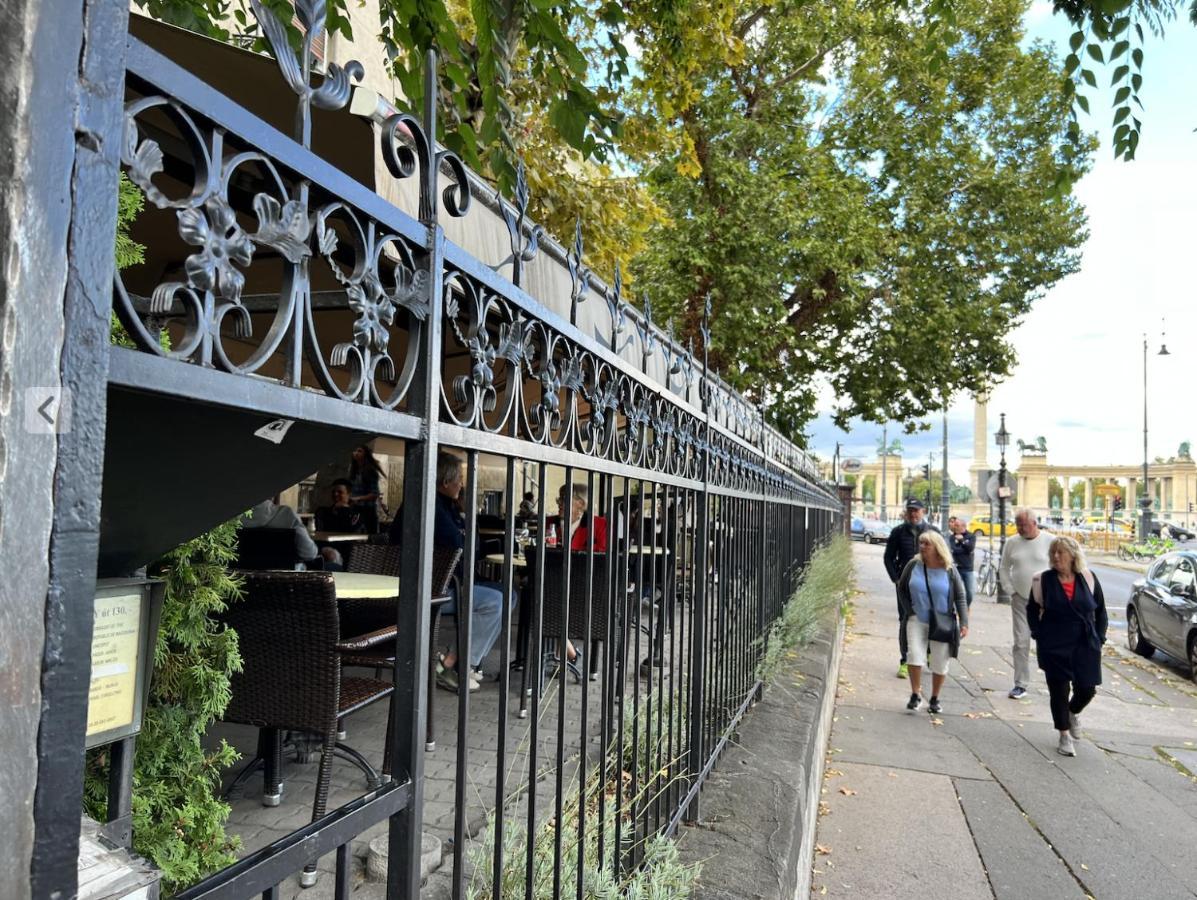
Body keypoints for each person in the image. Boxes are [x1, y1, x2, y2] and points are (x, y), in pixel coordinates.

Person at [393, 451, 515, 693]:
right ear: (444, 481)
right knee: (494, 601)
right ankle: (452, 664)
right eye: (458, 478)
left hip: (449, 581)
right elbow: (460, 546)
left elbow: (472, 549)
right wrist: (464, 528)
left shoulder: (446, 505)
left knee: (509, 594)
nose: (462, 483)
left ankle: (459, 661)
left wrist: (465, 518)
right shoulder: (428, 505)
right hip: (427, 588)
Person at [1027, 536, 1108, 757]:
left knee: (1087, 689)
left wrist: (1100, 638)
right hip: (1054, 643)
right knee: (1059, 691)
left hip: (1085, 642)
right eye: (1053, 552)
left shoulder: (1088, 578)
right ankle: (1063, 735)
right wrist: (1038, 634)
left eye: (1060, 552)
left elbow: (1100, 612)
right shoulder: (1042, 580)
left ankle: (1072, 712)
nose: (1055, 556)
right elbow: (1032, 610)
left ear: (1073, 555)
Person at [896, 531, 969, 714]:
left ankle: (935, 698)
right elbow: (902, 588)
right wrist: (909, 609)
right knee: (914, 655)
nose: (922, 547)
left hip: (942, 621)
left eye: (926, 544)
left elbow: (960, 596)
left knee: (940, 661)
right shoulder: (914, 565)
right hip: (916, 618)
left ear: (937, 546)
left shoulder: (949, 569)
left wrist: (964, 622)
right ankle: (915, 694)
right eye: (920, 543)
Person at [998, 508, 1054, 699]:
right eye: (1018, 525)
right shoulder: (1012, 543)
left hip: (1047, 601)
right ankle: (1020, 683)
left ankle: (1054, 680)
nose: (1020, 528)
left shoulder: (1050, 541)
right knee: (1021, 642)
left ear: (1034, 523)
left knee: (1048, 642)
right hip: (1021, 599)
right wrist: (1010, 590)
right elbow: (1004, 567)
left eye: (1024, 525)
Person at [884, 499, 939, 679]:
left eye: (916, 510)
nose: (913, 514)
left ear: (923, 511)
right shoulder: (898, 532)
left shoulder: (933, 532)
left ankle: (929, 653)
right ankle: (905, 661)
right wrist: (896, 579)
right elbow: (888, 558)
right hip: (906, 586)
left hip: (930, 585)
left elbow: (945, 557)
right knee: (906, 621)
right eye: (910, 511)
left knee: (930, 620)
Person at [241, 498, 342, 570]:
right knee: (336, 567)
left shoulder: (229, 517)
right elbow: (309, 554)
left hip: (240, 583)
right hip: (289, 585)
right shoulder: (286, 514)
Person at [348, 445, 386, 533]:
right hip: (355, 509)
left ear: (365, 454)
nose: (356, 453)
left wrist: (358, 498)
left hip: (368, 510)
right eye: (355, 451)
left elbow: (374, 493)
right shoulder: (353, 471)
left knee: (371, 536)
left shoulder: (370, 472)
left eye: (359, 451)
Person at [947, 516, 977, 607]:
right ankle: (958, 610)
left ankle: (966, 607)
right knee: (955, 591)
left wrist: (962, 541)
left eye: (957, 525)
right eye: (954, 525)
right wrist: (965, 549)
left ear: (963, 526)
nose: (954, 527)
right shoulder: (952, 537)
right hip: (956, 568)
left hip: (967, 568)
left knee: (970, 593)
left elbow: (970, 548)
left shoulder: (971, 536)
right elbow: (954, 550)